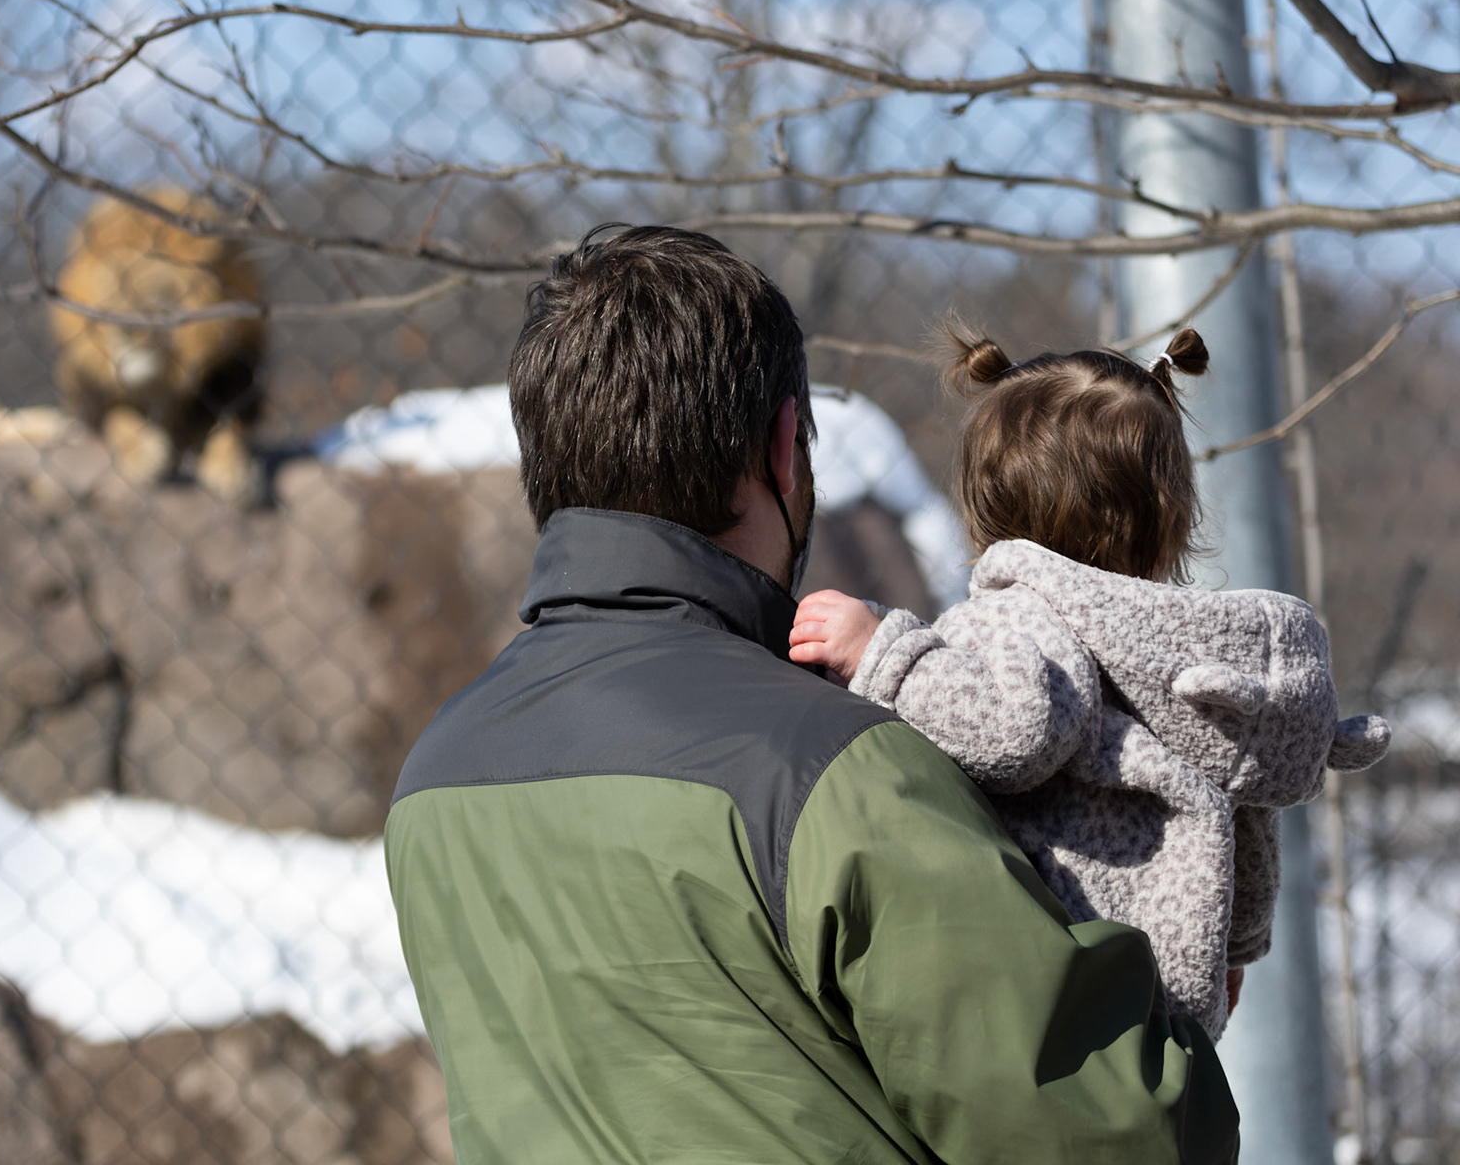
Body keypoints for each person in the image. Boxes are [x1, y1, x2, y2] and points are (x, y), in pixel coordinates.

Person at [385, 225, 1240, 1165]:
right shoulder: (835, 770)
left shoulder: (437, 777)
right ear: (785, 450)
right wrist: (1179, 1052)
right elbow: (1119, 1139)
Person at [789, 325, 1390, 1040]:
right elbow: (1250, 811)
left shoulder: (1019, 614)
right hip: (1166, 1002)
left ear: (986, 507)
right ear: (1171, 516)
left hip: (1038, 980)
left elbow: (1012, 733)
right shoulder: (1205, 657)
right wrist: (1233, 945)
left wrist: (882, 653)